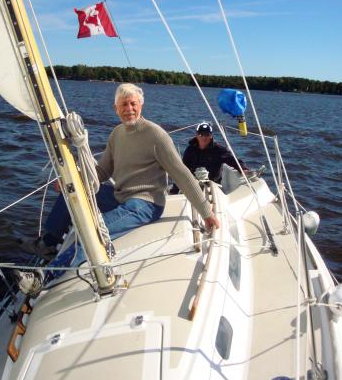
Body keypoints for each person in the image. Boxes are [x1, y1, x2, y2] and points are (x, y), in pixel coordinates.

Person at [15, 84, 219, 296]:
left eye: (133, 103)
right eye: (124, 104)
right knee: (71, 193)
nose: (129, 108)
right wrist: (76, 181)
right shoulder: (117, 134)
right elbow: (102, 171)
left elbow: (181, 174)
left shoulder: (155, 135)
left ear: (141, 105)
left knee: (94, 231)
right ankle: (48, 243)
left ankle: (44, 277)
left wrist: (206, 212)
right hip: (119, 195)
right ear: (116, 108)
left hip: (146, 204)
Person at [171, 122, 247, 193]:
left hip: (213, 188)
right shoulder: (190, 149)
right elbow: (183, 169)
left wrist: (243, 169)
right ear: (196, 135)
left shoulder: (218, 150)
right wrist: (175, 189)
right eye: (201, 134)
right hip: (194, 187)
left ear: (211, 136)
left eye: (207, 134)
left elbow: (234, 161)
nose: (204, 137)